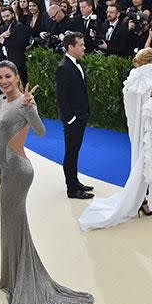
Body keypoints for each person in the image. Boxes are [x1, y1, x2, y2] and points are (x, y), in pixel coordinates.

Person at [0, 60, 94, 304]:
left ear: (17, 77)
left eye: (8, 77)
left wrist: (29, 108)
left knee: (14, 223)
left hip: (20, 170)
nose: (4, 81)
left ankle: (23, 278)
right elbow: (1, 141)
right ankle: (12, 278)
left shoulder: (25, 102)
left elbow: (40, 131)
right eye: (0, 77)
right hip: (7, 170)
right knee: (9, 224)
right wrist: (1, 173)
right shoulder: (2, 102)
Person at [79, 47, 152, 231]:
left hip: (137, 135)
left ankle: (143, 202)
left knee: (142, 167)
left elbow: (131, 112)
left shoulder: (132, 82)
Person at [56, 32, 95, 199]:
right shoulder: (63, 67)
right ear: (71, 47)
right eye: (81, 45)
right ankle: (72, 189)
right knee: (71, 152)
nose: (84, 47)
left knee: (75, 151)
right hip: (73, 119)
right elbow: (61, 97)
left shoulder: (76, 64)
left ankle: (75, 181)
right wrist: (70, 118)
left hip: (81, 115)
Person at [0, 7, 30, 84]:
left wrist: (5, 42)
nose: (6, 19)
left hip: (19, 60)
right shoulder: (3, 27)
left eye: (7, 16)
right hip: (7, 58)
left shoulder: (19, 26)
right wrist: (2, 36)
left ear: (13, 14)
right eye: (3, 17)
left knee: (22, 81)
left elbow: (22, 43)